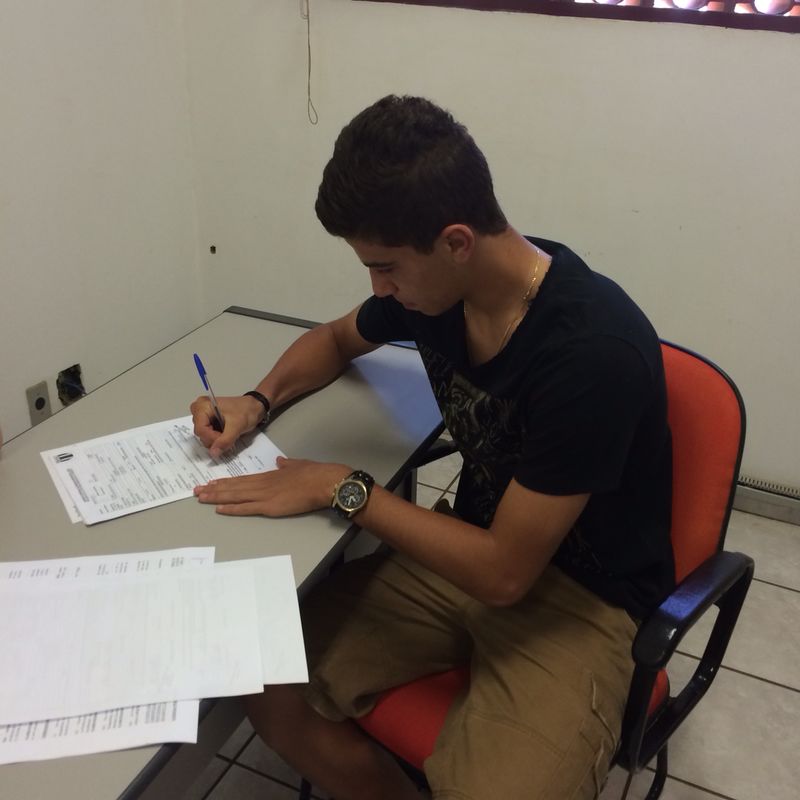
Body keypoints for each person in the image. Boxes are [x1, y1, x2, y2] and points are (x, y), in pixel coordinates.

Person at [190, 95, 674, 800]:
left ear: (456, 242)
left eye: (386, 267)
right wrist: (258, 401)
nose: (378, 287)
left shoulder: (592, 353)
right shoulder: (440, 294)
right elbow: (335, 338)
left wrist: (343, 488)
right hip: (463, 552)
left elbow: (505, 576)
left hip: (582, 603)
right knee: (258, 671)